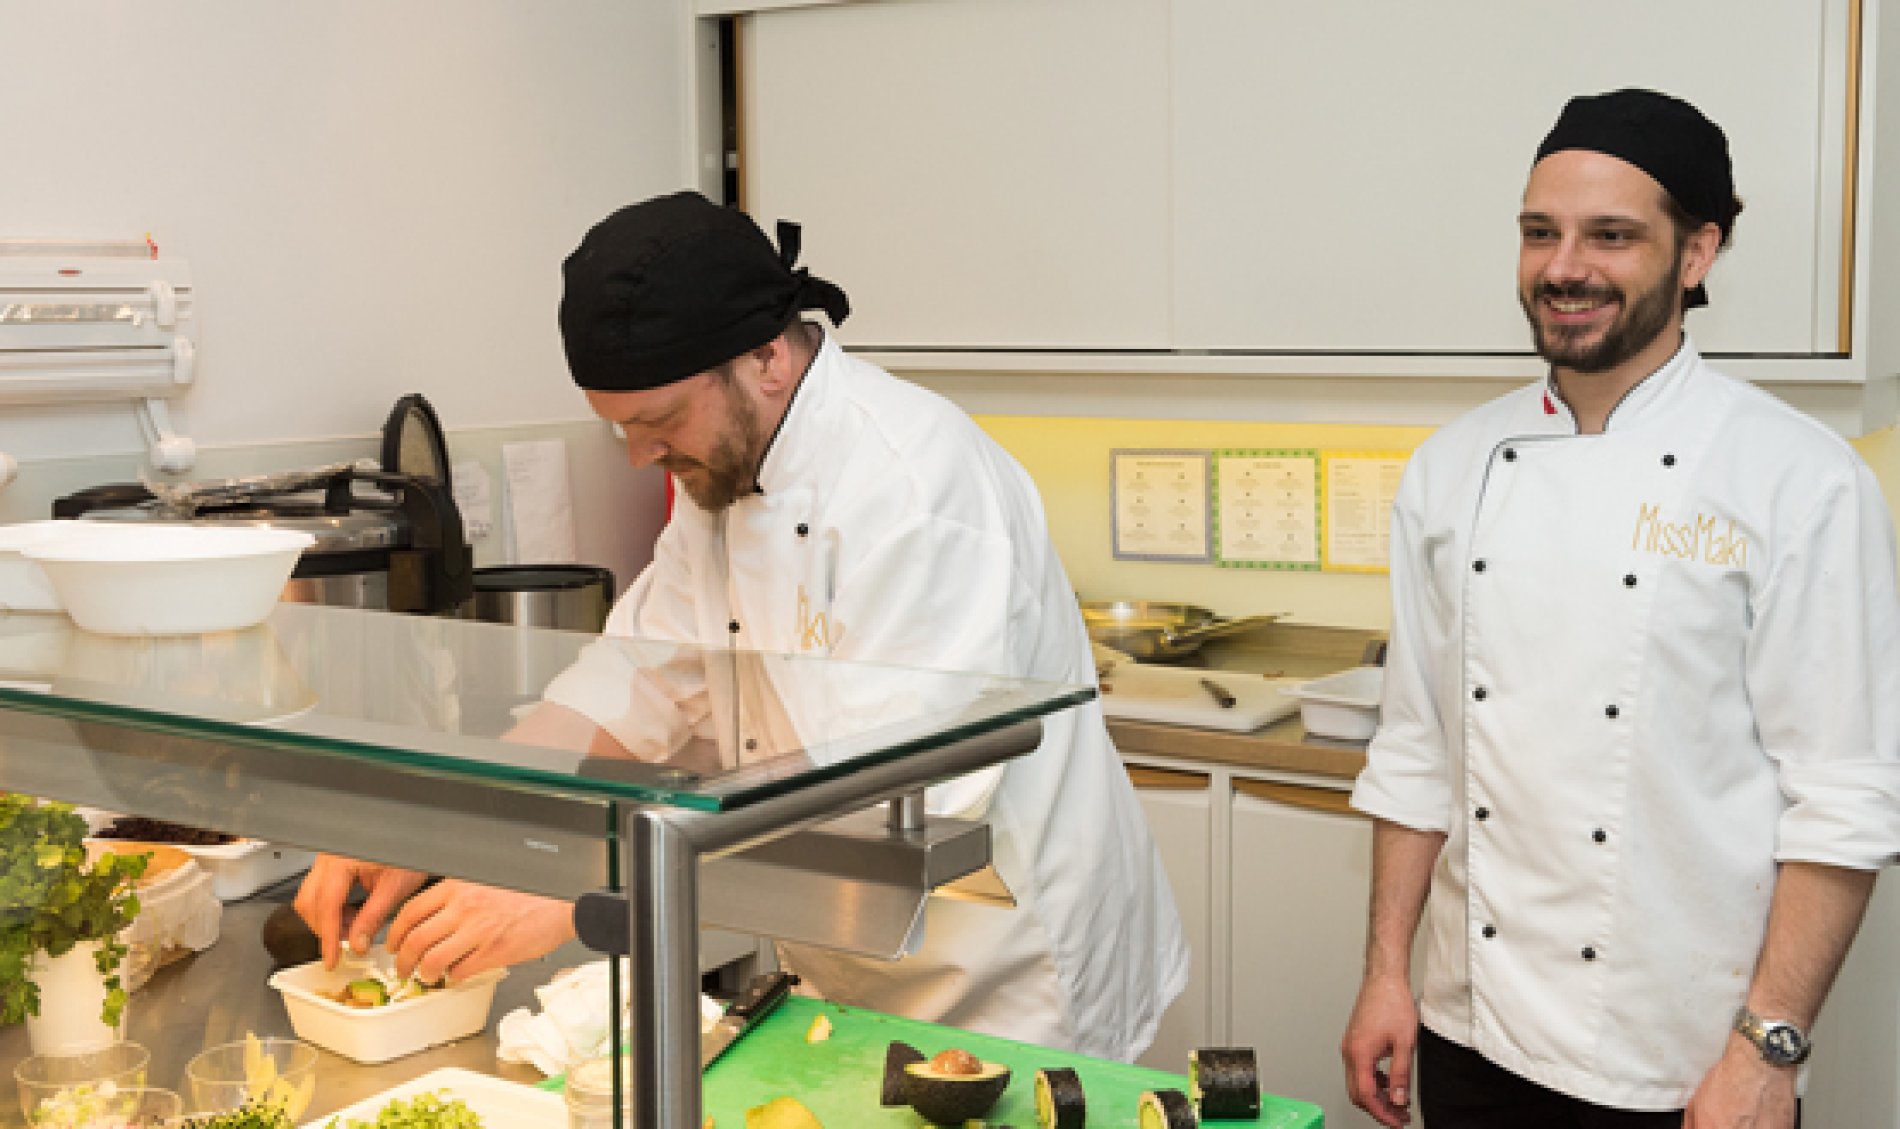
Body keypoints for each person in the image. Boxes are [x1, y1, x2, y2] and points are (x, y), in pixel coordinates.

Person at [295, 190, 1189, 1061]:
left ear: (767, 357)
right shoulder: (719, 474)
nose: (641, 456)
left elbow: (890, 813)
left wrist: (579, 890)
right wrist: (440, 819)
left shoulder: (915, 491)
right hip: (844, 965)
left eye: (659, 421)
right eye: (619, 430)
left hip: (1007, 977)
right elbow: (633, 684)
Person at [1339, 88, 1900, 1128]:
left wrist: (1767, 1049)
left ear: (1696, 254)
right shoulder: (1449, 467)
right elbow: (1415, 750)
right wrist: (1386, 973)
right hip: (1469, 1029)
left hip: (1687, 1062)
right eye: (1538, 232)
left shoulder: (1798, 479)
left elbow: (1842, 798)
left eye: (1611, 235)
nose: (1564, 267)